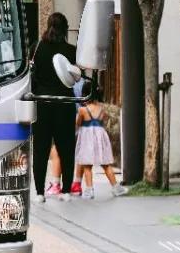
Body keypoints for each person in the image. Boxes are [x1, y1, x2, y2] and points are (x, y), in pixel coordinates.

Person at [31, 12, 78, 202]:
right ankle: (66, 191)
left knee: (41, 149)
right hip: (64, 104)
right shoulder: (71, 50)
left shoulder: (37, 48)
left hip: (42, 104)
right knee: (66, 148)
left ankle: (40, 193)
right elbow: (76, 76)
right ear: (65, 28)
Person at [75, 83, 127, 199]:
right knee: (106, 164)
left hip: (87, 137)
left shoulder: (82, 110)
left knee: (87, 166)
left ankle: (89, 190)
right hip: (100, 136)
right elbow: (102, 122)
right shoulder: (101, 108)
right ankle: (116, 188)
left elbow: (78, 124)